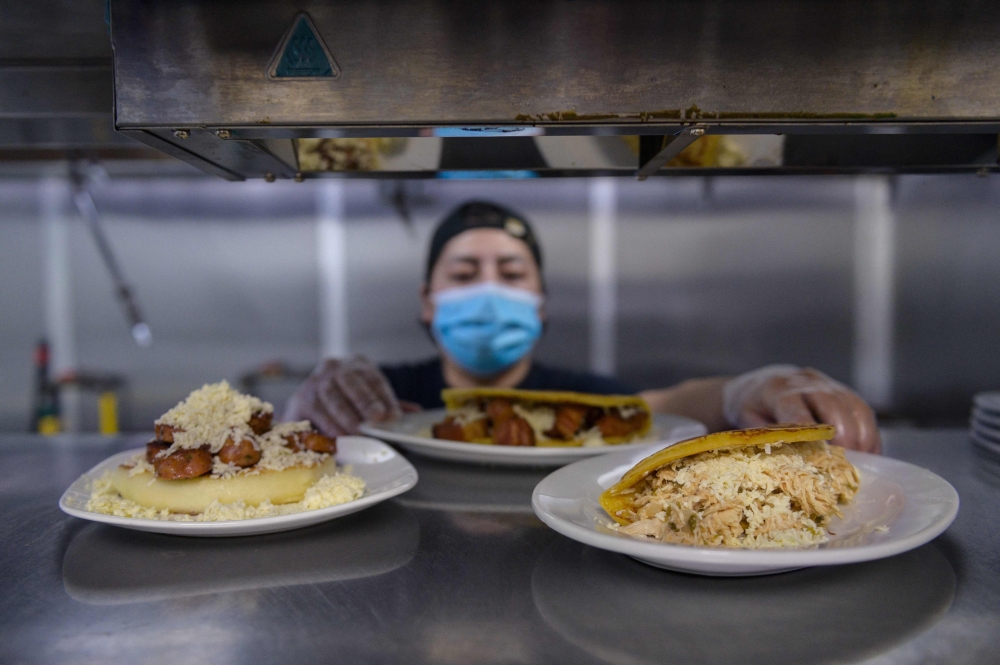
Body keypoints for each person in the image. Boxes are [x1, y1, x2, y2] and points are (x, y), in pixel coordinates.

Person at [286, 201, 880, 453]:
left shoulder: (583, 400)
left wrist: (748, 387)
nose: (488, 291)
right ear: (427, 301)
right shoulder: (380, 396)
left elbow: (669, 404)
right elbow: (302, 436)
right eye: (465, 273)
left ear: (540, 302)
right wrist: (304, 406)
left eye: (512, 274)